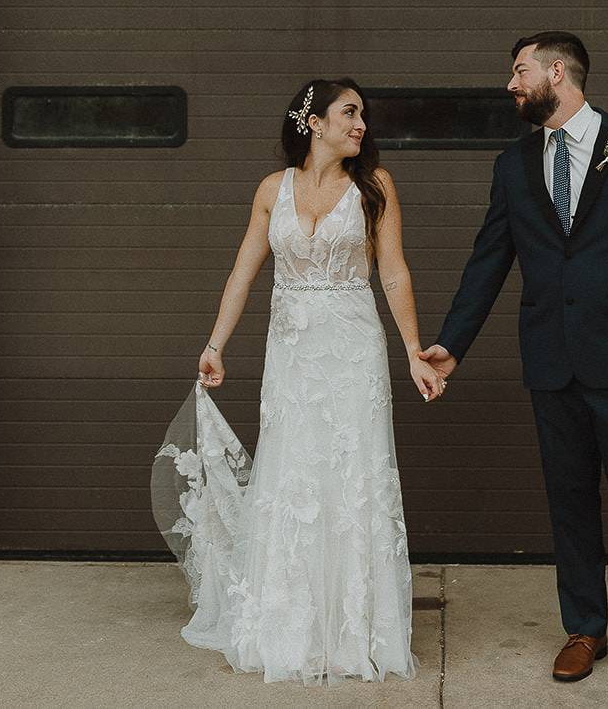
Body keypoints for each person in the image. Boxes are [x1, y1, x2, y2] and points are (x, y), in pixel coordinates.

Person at [419, 32, 608, 686]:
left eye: (518, 71)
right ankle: (585, 627)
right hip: (550, 359)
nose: (510, 85)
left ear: (556, 71)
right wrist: (451, 343)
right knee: (567, 496)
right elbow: (489, 261)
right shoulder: (512, 164)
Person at [152, 78, 445, 685]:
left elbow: (392, 273)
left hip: (354, 353)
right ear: (313, 122)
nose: (361, 124)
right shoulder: (270, 190)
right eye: (349, 112)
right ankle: (290, 624)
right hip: (291, 357)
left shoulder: (374, 186)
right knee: (293, 475)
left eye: (363, 115)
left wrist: (415, 349)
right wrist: (214, 346)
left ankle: (352, 630)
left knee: (351, 476)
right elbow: (243, 272)